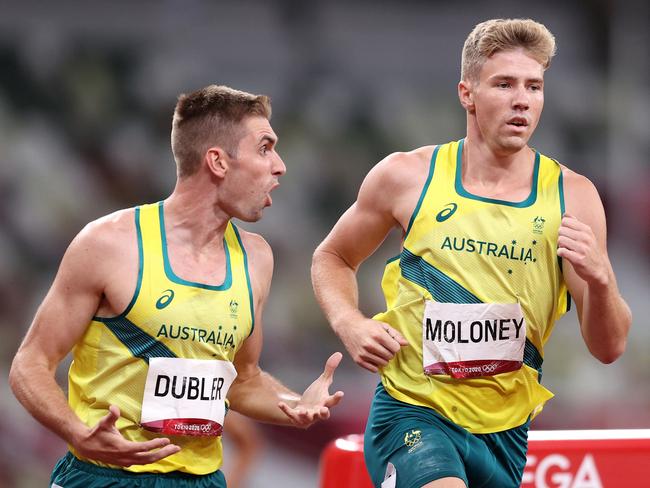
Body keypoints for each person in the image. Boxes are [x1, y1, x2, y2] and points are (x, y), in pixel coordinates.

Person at [311, 18, 631, 488]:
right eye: (504, 84)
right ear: (467, 93)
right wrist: (350, 322)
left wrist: (601, 280)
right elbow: (332, 257)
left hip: (503, 433)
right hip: (413, 411)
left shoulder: (574, 197)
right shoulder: (407, 177)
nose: (522, 99)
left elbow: (610, 348)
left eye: (534, 86)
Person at [9, 84, 344, 488]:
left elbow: (243, 379)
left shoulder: (256, 258)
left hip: (201, 479)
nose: (280, 166)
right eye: (265, 148)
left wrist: (296, 404)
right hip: (105, 477)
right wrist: (76, 431)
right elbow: (30, 364)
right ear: (218, 161)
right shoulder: (109, 244)